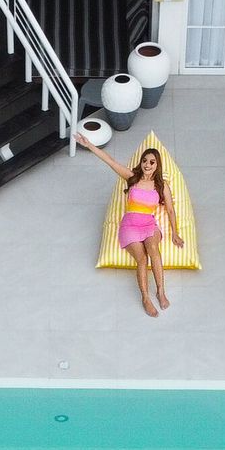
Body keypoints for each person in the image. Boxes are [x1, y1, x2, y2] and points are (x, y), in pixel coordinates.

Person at [75, 135, 183, 317]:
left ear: (157, 165)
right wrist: (90, 145)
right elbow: (110, 161)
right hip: (130, 226)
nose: (147, 165)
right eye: (145, 161)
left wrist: (175, 233)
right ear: (141, 163)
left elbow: (171, 211)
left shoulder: (161, 186)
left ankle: (161, 291)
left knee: (153, 249)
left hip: (149, 224)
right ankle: (145, 298)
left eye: (152, 162)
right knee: (142, 259)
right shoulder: (132, 177)